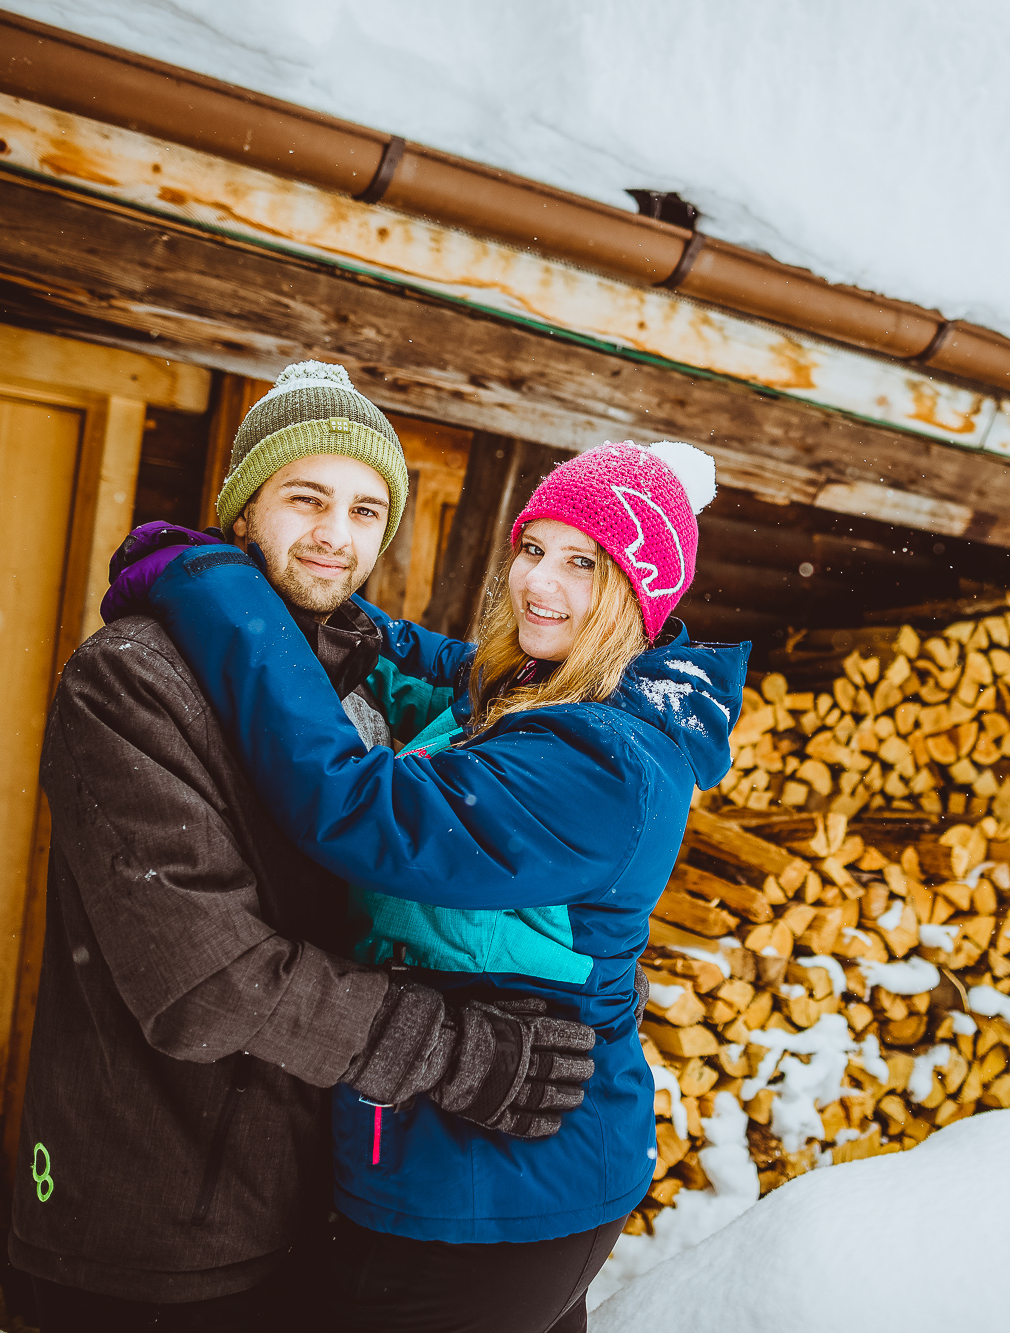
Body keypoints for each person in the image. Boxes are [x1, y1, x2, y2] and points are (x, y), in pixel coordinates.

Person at [9, 362, 597, 1332]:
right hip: (153, 1226)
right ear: (244, 508)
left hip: (306, 1198)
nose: (337, 534)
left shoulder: (351, 693)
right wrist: (460, 1054)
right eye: (307, 497)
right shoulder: (131, 680)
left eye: (366, 511)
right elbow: (206, 979)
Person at [123, 438, 749, 1332]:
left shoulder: (602, 761)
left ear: (636, 596)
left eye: (583, 563)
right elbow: (451, 675)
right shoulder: (555, 689)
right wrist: (340, 617)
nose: (540, 583)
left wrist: (218, 592)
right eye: (533, 548)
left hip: (498, 1184)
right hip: (481, 1162)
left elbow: (354, 805)